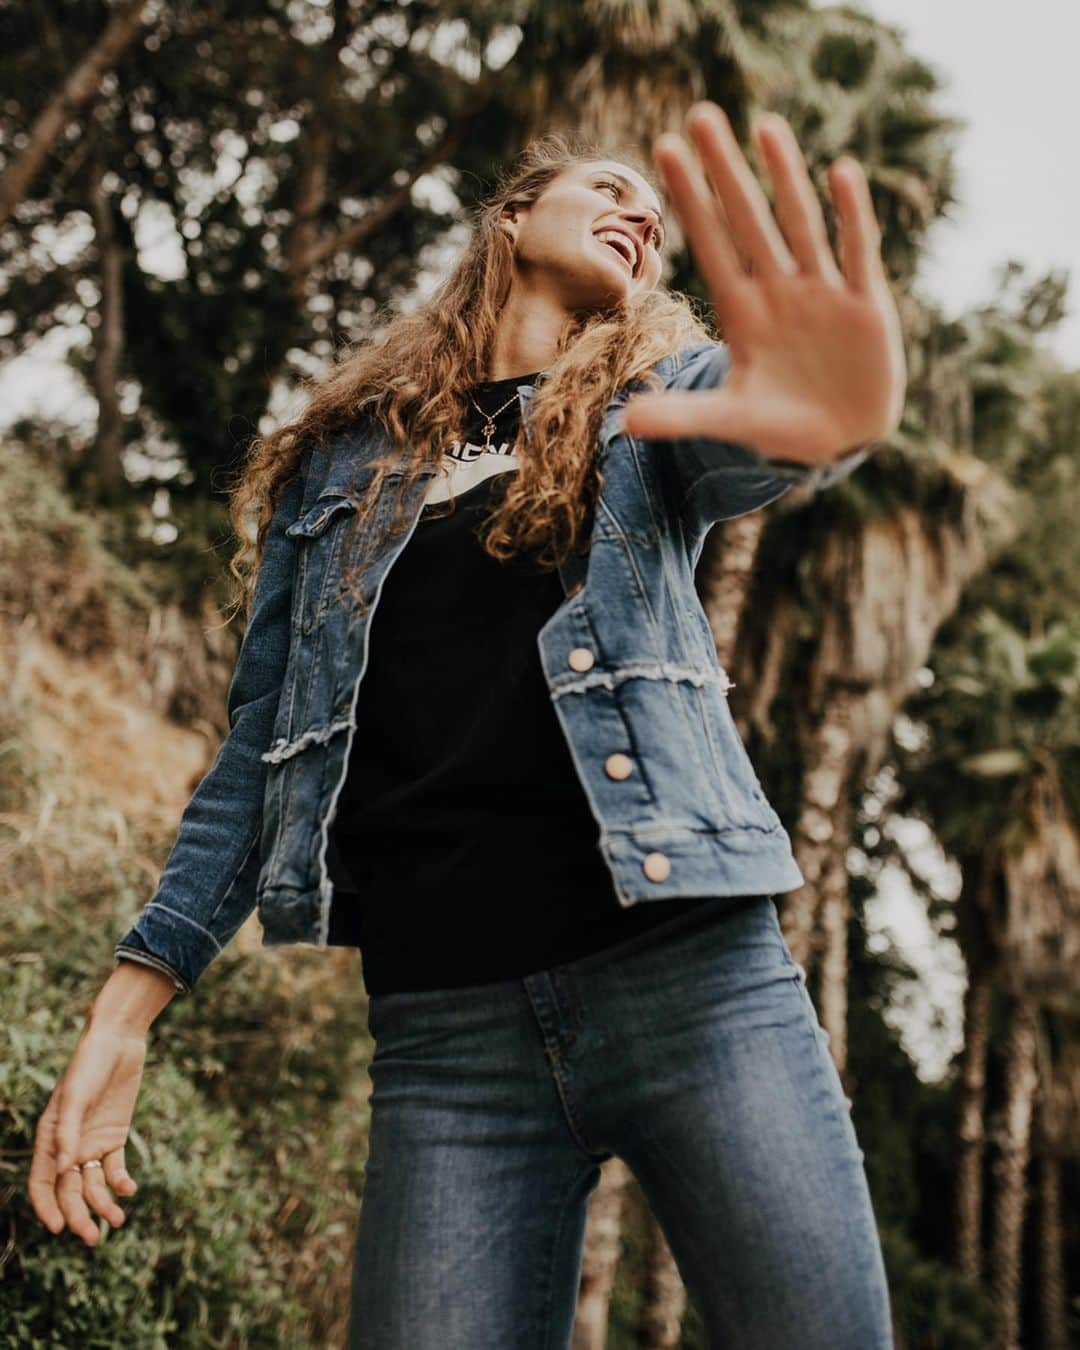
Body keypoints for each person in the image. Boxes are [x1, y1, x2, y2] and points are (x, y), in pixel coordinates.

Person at [29, 101, 906, 1348]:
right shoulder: (339, 469)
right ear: (508, 220)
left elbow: (760, 420)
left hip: (696, 989)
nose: (638, 211)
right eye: (604, 187)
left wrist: (826, 409)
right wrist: (124, 1015)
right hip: (448, 1040)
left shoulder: (651, 409)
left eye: (649, 215)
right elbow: (260, 758)